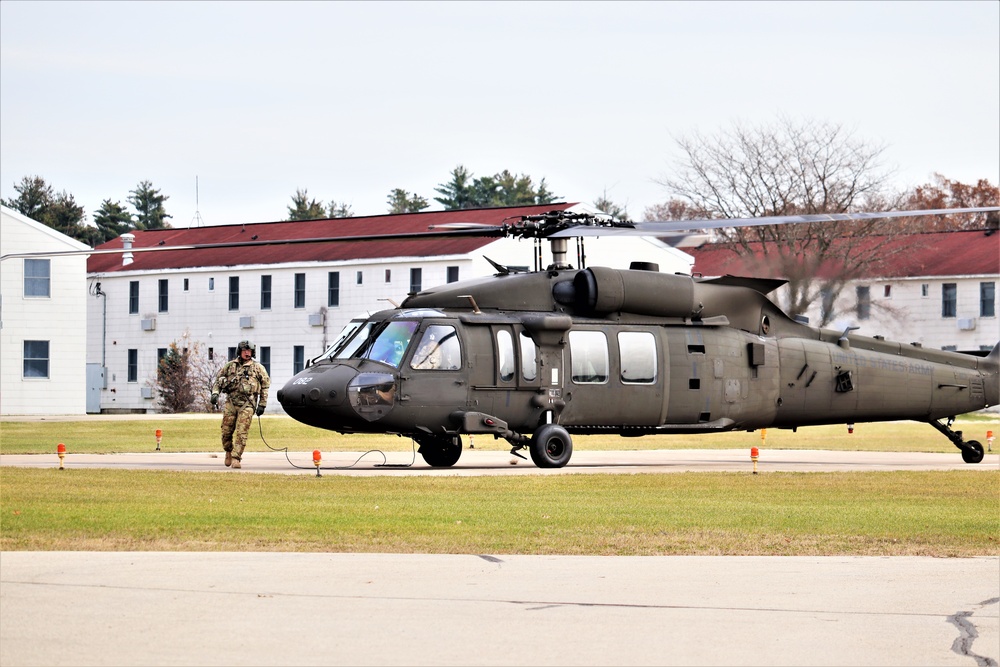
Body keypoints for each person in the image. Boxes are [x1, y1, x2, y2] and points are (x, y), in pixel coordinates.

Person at [210, 340, 270, 469]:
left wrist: (262, 404)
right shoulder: (230, 366)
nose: (247, 353)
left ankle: (236, 458)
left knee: (242, 432)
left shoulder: (258, 368)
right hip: (231, 403)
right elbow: (218, 382)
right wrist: (215, 394)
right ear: (240, 352)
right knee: (226, 431)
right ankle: (228, 451)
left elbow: (265, 386)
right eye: (245, 351)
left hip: (247, 404)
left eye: (249, 351)